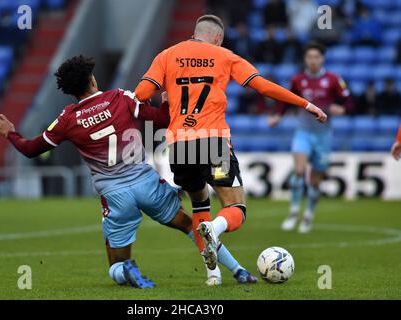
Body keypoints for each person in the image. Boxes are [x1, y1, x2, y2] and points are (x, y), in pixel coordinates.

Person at [0, 55, 254, 288]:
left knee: (116, 262)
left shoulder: (67, 119)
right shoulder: (120, 97)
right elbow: (162, 119)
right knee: (192, 226)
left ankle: (126, 270)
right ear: (92, 80)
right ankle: (238, 270)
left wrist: (11, 133)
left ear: (70, 91)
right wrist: (164, 102)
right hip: (146, 183)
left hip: (115, 194)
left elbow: (30, 149)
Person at [135, 15, 327, 270]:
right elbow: (263, 87)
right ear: (217, 38)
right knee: (236, 208)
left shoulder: (167, 55)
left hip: (179, 145)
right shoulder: (224, 55)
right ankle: (214, 229)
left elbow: (141, 94)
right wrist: (306, 104)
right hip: (213, 142)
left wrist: (170, 99)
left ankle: (212, 274)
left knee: (200, 202)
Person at [268, 42, 352, 233]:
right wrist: (277, 116)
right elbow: (287, 101)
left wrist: (342, 108)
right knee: (298, 171)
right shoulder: (298, 80)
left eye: (316, 57)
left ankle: (309, 215)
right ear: (305, 59)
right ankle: (294, 211)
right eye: (309, 57)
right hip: (303, 132)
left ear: (322, 59)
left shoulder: (333, 80)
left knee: (315, 180)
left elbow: (349, 102)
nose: (313, 60)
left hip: (323, 135)